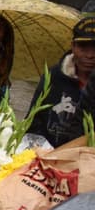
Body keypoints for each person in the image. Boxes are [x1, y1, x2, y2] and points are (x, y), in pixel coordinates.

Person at [28, 16, 95, 147]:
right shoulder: (54, 77)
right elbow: (35, 120)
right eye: (83, 47)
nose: (90, 55)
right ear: (73, 46)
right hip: (50, 153)